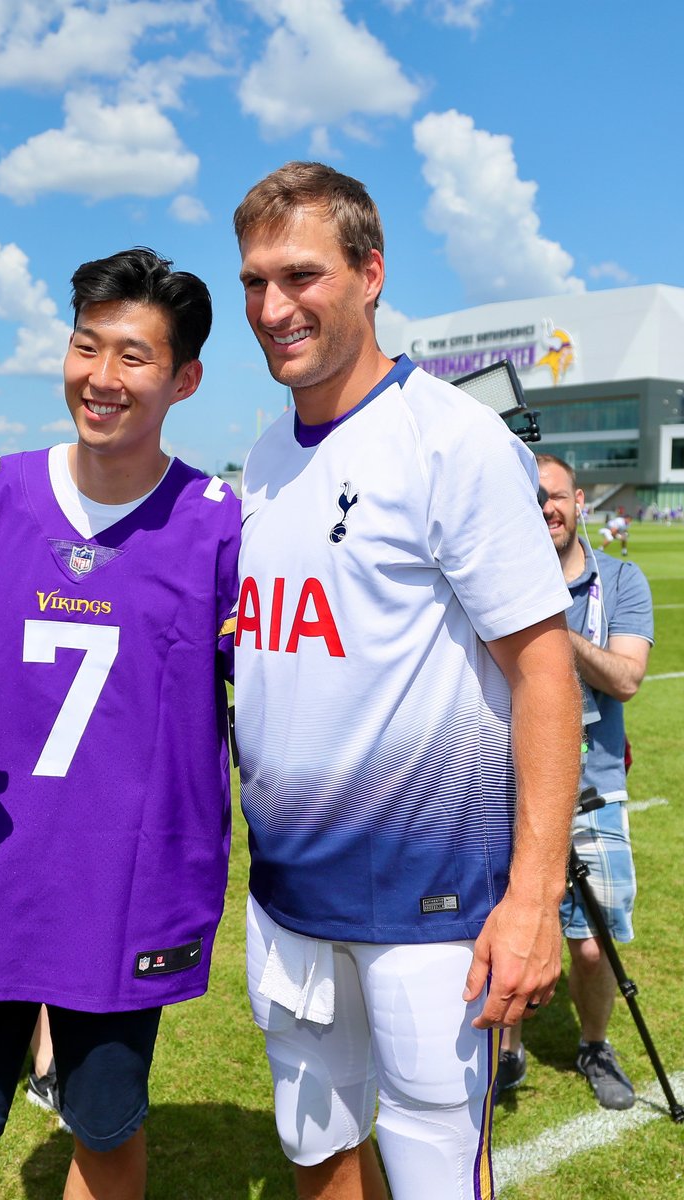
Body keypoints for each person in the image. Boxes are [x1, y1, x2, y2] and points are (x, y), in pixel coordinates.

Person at [231, 162, 582, 1200]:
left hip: (432, 905)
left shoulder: (454, 440)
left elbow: (546, 673)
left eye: (301, 275)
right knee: (316, 1150)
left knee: (434, 1167)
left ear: (370, 272)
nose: (272, 307)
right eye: (254, 282)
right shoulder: (261, 458)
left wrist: (535, 896)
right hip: (290, 892)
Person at [0, 248, 240, 1200]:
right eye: (87, 347)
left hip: (127, 883)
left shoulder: (220, 526)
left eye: (134, 357)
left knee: (104, 1139)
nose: (102, 377)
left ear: (185, 379)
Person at [496, 455, 653, 1110]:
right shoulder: (502, 580)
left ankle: (593, 1043)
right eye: (533, 501)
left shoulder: (619, 580)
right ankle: (506, 1052)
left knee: (592, 949)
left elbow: (625, 677)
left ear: (579, 501)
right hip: (509, 790)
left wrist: (553, 628)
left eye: (555, 498)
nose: (545, 511)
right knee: (503, 927)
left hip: (593, 791)